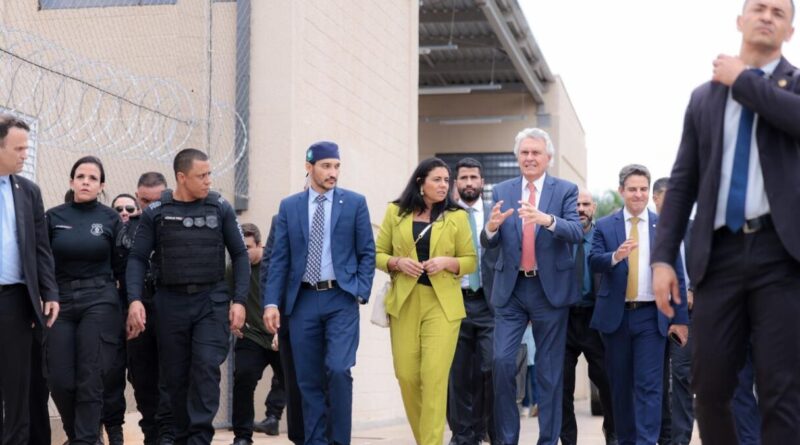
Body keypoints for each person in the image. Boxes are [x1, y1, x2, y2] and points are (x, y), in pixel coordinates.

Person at [651, 0, 800, 442]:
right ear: (740, 20)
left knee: (781, 390)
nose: (767, 15)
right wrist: (662, 259)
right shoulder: (705, 97)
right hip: (719, 255)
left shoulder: (794, 88)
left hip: (782, 255)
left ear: (789, 30)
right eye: (759, 6)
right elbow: (682, 182)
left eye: (779, 11)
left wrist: (745, 80)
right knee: (709, 387)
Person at [126, 148, 249, 444]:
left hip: (211, 301)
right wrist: (134, 299)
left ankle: (199, 438)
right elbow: (137, 258)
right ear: (182, 177)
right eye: (201, 175)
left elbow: (240, 255)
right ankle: (182, 437)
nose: (208, 180)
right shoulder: (156, 212)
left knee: (206, 368)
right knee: (175, 378)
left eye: (209, 174)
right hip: (170, 303)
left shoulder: (220, 207)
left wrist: (240, 300)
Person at [263, 141, 375, 445]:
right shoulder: (290, 206)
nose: (333, 172)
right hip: (301, 302)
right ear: (308, 167)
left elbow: (367, 251)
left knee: (338, 370)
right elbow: (279, 260)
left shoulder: (354, 203)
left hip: (340, 298)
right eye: (326, 166)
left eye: (336, 166)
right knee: (307, 379)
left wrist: (360, 291)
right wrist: (271, 302)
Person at [480, 127, 582, 445]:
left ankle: (547, 440)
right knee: (501, 362)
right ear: (517, 157)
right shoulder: (502, 190)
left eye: (536, 152)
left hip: (547, 290)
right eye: (524, 152)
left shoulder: (565, 190)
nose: (529, 158)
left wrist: (546, 220)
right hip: (511, 290)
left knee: (550, 372)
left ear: (548, 158)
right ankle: (507, 439)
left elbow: (576, 232)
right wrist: (492, 229)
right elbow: (488, 242)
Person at [375, 157, 477, 445]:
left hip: (442, 304)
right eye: (437, 180)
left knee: (433, 378)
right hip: (405, 302)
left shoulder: (456, 216)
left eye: (447, 180)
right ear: (421, 182)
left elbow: (470, 261)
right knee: (406, 375)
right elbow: (377, 254)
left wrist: (447, 262)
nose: (444, 185)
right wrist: (397, 262)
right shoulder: (395, 212)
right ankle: (426, 441)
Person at [589, 164, 689, 445]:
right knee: (620, 387)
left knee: (650, 387)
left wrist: (680, 319)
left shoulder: (664, 226)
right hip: (616, 317)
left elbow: (677, 275)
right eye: (632, 189)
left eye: (643, 189)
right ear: (622, 191)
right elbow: (593, 260)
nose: (638, 194)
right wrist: (614, 257)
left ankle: (647, 441)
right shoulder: (606, 225)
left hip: (651, 317)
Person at [46, 155, 126, 445]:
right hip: (60, 302)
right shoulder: (53, 217)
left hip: (100, 300)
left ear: (101, 186)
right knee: (61, 381)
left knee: (90, 379)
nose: (85, 182)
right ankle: (80, 436)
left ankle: (86, 440)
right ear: (71, 181)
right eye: (80, 176)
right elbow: (42, 264)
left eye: (92, 178)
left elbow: (122, 267)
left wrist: (130, 308)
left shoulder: (110, 219)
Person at [0, 114, 59, 444]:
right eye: (19, 148)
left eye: (28, 147)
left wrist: (50, 291)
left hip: (14, 301)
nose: (26, 154)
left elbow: (41, 248)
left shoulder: (28, 191)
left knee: (18, 387)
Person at [118, 172, 175, 445]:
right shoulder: (128, 228)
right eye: (144, 200)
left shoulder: (179, 224)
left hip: (171, 311)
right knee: (142, 379)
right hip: (137, 311)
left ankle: (166, 435)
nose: (151, 206)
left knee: (171, 378)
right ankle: (152, 434)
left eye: (157, 200)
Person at [446, 157, 497, 445]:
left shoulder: (495, 213)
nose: (468, 183)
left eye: (473, 178)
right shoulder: (446, 216)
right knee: (459, 375)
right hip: (455, 302)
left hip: (489, 304)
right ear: (457, 183)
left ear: (482, 182)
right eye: (463, 178)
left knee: (491, 369)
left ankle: (483, 430)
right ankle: (462, 434)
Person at [560, 190, 617, 445]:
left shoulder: (603, 235)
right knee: (561, 386)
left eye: (585, 204)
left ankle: (613, 433)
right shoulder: (560, 237)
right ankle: (567, 439)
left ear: (593, 207)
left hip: (596, 317)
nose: (581, 209)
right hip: (563, 318)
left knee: (606, 380)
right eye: (576, 205)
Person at [230, 222, 286, 444]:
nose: (243, 253)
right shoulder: (234, 268)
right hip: (251, 336)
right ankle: (242, 436)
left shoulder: (275, 266)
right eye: (239, 248)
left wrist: (285, 330)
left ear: (260, 245)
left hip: (279, 333)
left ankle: (275, 418)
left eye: (247, 247)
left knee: (292, 379)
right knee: (243, 377)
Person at [261, 212, 305, 445]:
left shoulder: (343, 211)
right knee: (294, 378)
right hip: (291, 311)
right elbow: (270, 264)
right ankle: (300, 437)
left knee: (331, 373)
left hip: (329, 308)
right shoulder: (283, 218)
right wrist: (271, 307)